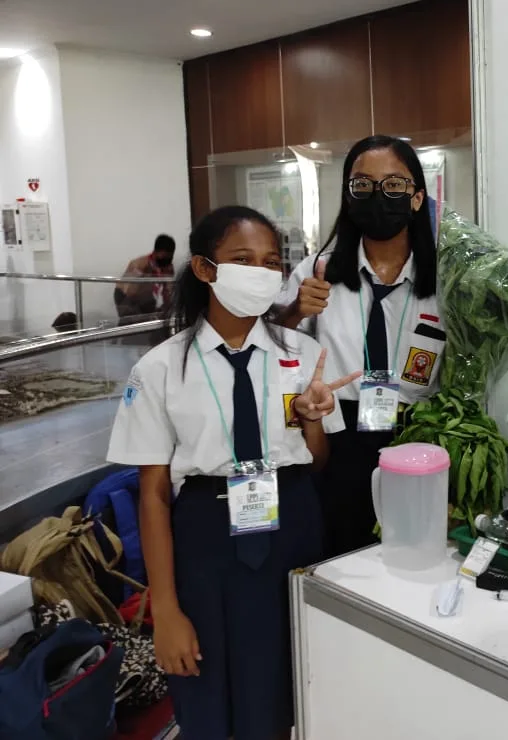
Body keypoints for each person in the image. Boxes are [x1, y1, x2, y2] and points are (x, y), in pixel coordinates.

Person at [106, 206, 359, 740]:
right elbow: (153, 495)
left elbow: (316, 463)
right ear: (205, 268)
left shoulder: (304, 355)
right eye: (242, 260)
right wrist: (165, 611)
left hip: (291, 526)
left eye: (270, 262)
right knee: (207, 680)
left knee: (285, 680)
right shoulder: (160, 369)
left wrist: (313, 420)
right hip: (206, 537)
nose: (260, 273)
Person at [278, 135, 444, 558]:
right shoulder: (317, 272)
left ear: (417, 198)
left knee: (416, 553)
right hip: (338, 435)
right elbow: (270, 345)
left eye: (394, 185)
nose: (378, 195)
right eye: (363, 185)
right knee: (342, 554)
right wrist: (295, 311)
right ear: (349, 196)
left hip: (418, 432)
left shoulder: (447, 281)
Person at [115, 234, 177, 320]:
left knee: (155, 314)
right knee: (131, 319)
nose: (166, 262)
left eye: (169, 259)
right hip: (125, 294)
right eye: (163, 258)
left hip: (146, 294)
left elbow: (168, 291)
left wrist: (167, 308)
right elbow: (130, 291)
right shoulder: (139, 264)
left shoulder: (168, 267)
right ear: (155, 252)